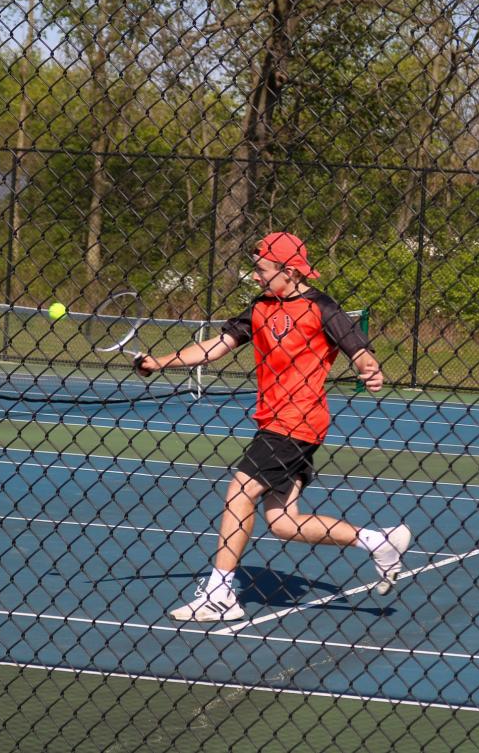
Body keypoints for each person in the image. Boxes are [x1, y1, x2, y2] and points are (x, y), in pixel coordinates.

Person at [134, 231, 411, 622]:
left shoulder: (321, 308)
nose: (256, 276)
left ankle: (221, 593)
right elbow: (217, 345)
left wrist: (369, 367)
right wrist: (161, 361)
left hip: (297, 420)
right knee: (281, 522)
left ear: (290, 271)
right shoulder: (260, 307)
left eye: (262, 269)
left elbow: (357, 347)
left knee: (239, 493)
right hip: (275, 421)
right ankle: (377, 541)